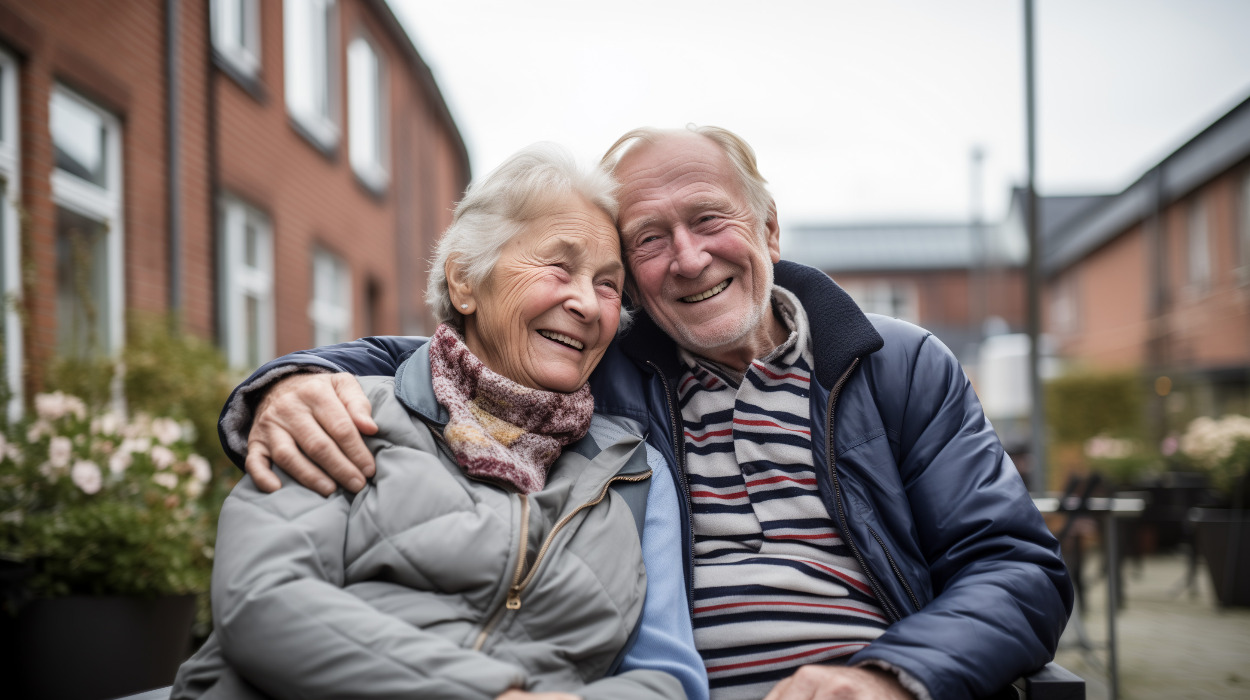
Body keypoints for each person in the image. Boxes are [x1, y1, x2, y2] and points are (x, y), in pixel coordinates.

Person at [220, 126, 1073, 700]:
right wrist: (290, 380)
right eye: (649, 243)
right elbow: (460, 349)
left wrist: (892, 676)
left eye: (709, 220)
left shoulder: (896, 366)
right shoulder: (613, 371)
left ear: (770, 229)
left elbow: (1018, 568)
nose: (689, 259)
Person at [174, 144, 706, 700]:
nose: (587, 304)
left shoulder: (632, 473)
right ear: (464, 282)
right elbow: (262, 599)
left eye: (607, 284)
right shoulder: (341, 411)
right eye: (558, 266)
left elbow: (666, 677)